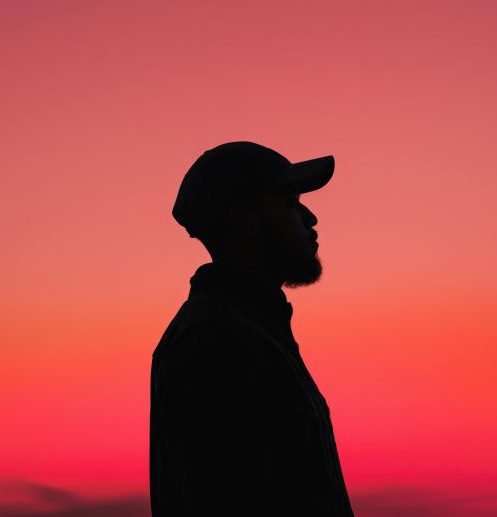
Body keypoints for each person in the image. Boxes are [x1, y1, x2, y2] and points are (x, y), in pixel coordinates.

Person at [149, 141, 354, 517]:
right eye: (291, 203)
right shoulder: (217, 338)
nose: (311, 217)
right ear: (245, 220)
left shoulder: (252, 328)